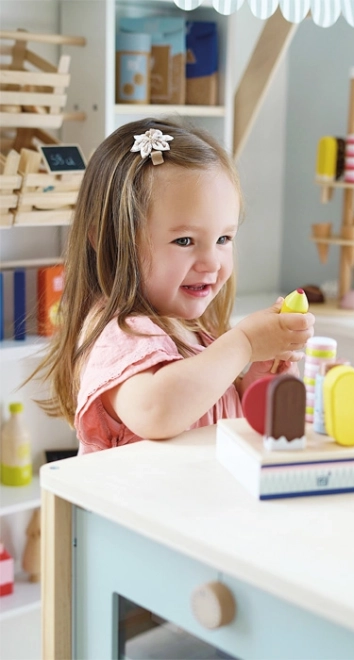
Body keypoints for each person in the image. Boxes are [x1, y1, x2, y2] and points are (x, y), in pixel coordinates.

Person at [33, 118, 315, 454]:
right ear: (112, 243)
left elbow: (212, 416)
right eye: (184, 241)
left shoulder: (195, 332)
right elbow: (156, 411)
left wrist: (257, 378)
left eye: (223, 239)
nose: (211, 263)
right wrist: (244, 344)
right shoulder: (120, 333)